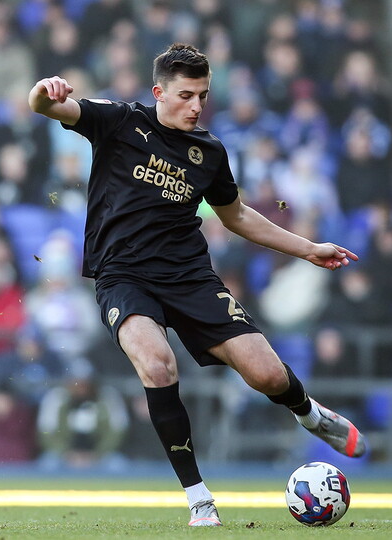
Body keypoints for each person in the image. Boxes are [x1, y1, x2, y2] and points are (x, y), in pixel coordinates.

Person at [27, 43, 367, 527]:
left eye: (203, 96)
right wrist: (45, 91)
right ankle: (199, 499)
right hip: (123, 277)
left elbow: (239, 216)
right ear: (158, 91)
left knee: (267, 376)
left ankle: (311, 414)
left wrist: (308, 248)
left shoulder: (208, 152)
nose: (196, 106)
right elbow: (46, 106)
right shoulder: (119, 121)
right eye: (186, 95)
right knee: (157, 364)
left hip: (189, 276)